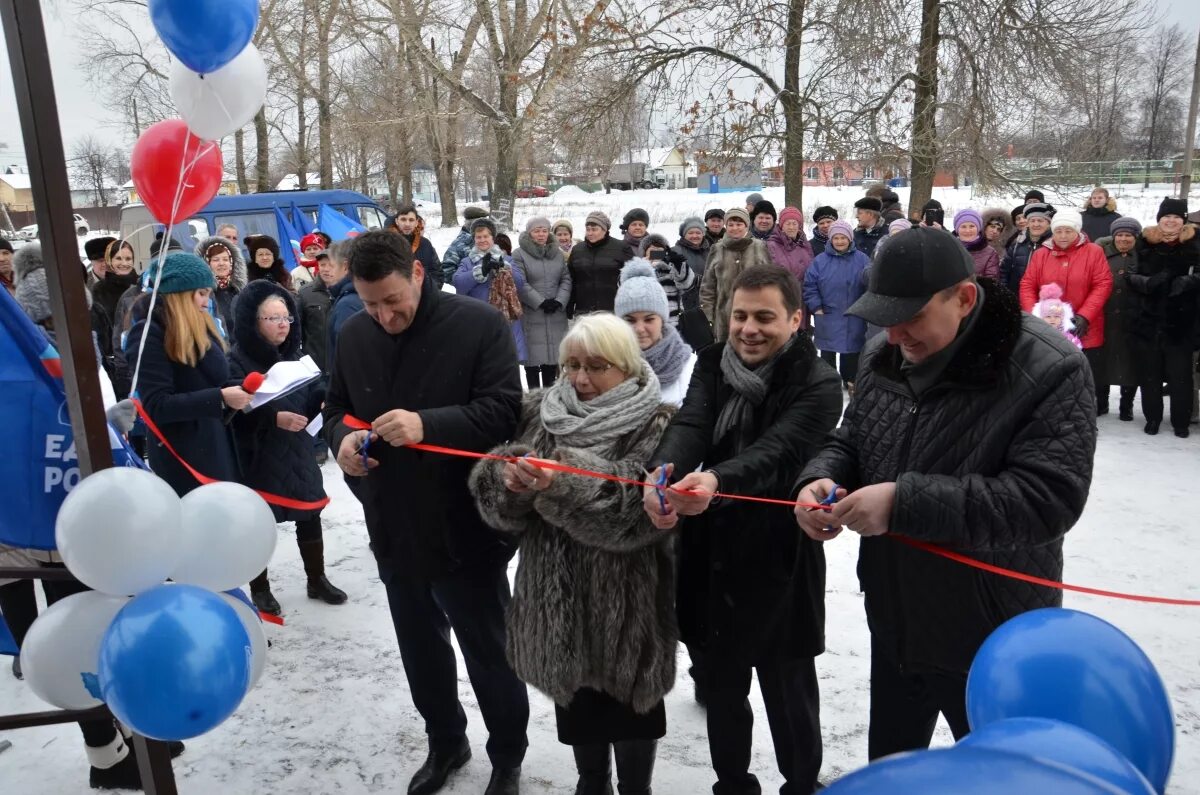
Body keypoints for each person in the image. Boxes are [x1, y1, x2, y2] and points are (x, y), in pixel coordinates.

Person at [794, 226, 1096, 763]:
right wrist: (821, 475)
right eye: (885, 317)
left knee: (996, 770)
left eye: (911, 317)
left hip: (989, 630)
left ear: (963, 297)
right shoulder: (883, 351)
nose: (894, 336)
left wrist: (902, 503)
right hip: (897, 612)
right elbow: (856, 438)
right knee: (892, 765)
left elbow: (1046, 500)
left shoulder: (1049, 367)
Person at [323, 230, 529, 795]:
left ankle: (507, 754)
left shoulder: (476, 324)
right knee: (420, 650)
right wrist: (342, 438)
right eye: (370, 304)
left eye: (393, 300)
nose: (384, 315)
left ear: (417, 273)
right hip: (392, 522)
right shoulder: (355, 334)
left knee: (490, 653)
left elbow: (504, 412)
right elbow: (336, 407)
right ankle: (445, 740)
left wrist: (426, 424)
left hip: (465, 526)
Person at [646, 265, 842, 795]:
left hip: (779, 555)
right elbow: (692, 423)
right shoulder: (712, 363)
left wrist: (714, 479)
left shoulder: (819, 382)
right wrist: (662, 473)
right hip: (710, 554)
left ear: (796, 320)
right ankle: (732, 783)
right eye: (739, 316)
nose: (748, 328)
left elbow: (778, 451)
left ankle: (801, 784)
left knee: (788, 691)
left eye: (764, 317)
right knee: (722, 688)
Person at [469, 313, 677, 795]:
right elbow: (494, 498)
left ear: (626, 366)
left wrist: (562, 479)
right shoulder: (538, 410)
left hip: (629, 598)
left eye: (597, 366)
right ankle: (592, 783)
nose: (580, 379)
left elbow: (634, 514)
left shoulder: (659, 422)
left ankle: (636, 788)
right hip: (554, 593)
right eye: (572, 365)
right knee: (578, 704)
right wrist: (508, 483)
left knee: (632, 708)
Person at [227, 280, 347, 615]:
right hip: (258, 453)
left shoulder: (297, 354)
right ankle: (260, 587)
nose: (283, 325)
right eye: (273, 318)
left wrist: (321, 400)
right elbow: (231, 409)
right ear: (253, 321)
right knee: (258, 521)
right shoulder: (236, 360)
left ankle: (316, 578)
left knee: (310, 511)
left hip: (297, 447)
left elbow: (314, 386)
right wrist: (272, 418)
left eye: (287, 318)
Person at [124, 253, 253, 497]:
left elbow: (215, 379)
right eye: (201, 293)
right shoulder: (149, 333)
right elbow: (157, 404)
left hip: (215, 445)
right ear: (181, 294)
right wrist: (220, 398)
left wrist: (247, 386)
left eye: (208, 294)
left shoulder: (200, 325)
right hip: (184, 457)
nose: (207, 301)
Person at [1019, 208, 1112, 416]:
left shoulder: (1093, 252)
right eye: (1058, 231)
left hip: (1084, 326)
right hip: (1049, 324)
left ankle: (1084, 413)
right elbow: (1027, 285)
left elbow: (1102, 284)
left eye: (1068, 231)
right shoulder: (1042, 254)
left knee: (1084, 372)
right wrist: (1036, 316)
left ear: (1077, 231)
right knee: (1052, 370)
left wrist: (1085, 315)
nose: (1062, 236)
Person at [1127, 198, 1200, 437]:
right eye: (1166, 217)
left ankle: (1180, 421)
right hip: (1148, 320)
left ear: (1184, 220)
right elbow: (1130, 274)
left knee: (1181, 377)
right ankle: (1153, 418)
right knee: (1151, 374)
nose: (1170, 221)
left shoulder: (1195, 244)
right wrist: (1148, 283)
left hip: (1182, 322)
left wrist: (1191, 281)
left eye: (1176, 218)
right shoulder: (1145, 243)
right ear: (1159, 219)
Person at [617, 261, 697, 406]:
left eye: (649, 319)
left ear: (662, 320)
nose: (640, 329)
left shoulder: (690, 367)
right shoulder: (605, 365)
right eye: (630, 320)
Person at [804, 220, 870, 391]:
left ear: (850, 239)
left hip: (854, 315)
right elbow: (810, 286)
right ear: (830, 240)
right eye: (836, 238)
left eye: (843, 237)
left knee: (851, 351)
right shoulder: (820, 261)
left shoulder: (862, 260)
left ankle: (850, 381)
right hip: (827, 314)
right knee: (827, 352)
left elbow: (870, 284)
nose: (839, 241)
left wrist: (865, 307)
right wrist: (816, 307)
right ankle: (829, 383)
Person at [453, 217, 528, 364]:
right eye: (478, 237)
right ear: (474, 239)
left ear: (493, 238)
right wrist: (479, 271)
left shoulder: (507, 259)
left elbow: (520, 284)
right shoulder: (467, 262)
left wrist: (506, 269)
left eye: (486, 236)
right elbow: (458, 284)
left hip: (504, 321)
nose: (482, 240)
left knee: (505, 366)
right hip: (478, 320)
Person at [512, 216, 571, 390]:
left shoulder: (557, 254)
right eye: (537, 231)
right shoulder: (519, 254)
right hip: (532, 313)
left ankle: (550, 400)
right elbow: (519, 282)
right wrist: (540, 302)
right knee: (532, 362)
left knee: (552, 362)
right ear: (529, 233)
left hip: (555, 314)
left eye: (544, 231)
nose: (541, 234)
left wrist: (559, 301)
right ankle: (533, 400)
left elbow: (566, 279)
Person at [700, 208, 772, 343]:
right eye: (731, 225)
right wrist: (707, 316)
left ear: (746, 225)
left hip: (754, 317)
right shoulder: (717, 249)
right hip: (724, 320)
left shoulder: (760, 247)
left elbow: (769, 283)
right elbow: (708, 287)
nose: (735, 228)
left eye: (739, 224)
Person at [1095, 216, 1141, 421]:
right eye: (1120, 235)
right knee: (1102, 362)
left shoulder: (1141, 256)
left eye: (1128, 235)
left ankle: (1126, 406)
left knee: (1130, 363)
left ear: (1135, 238)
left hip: (1132, 317)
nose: (1124, 239)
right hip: (1104, 315)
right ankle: (1101, 402)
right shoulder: (1101, 255)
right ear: (1113, 237)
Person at [91, 240, 139, 389]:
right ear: (109, 260)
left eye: (128, 258)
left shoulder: (141, 286)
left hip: (140, 357)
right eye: (118, 258)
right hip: (114, 364)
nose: (124, 263)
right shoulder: (98, 291)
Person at [567, 211, 633, 316]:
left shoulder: (621, 248)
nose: (590, 233)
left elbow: (631, 280)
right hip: (584, 310)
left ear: (604, 230)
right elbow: (571, 280)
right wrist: (569, 305)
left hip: (612, 310)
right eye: (588, 229)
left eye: (594, 229)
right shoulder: (577, 250)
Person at [638, 233, 696, 327]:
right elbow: (624, 285)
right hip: (646, 322)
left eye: (659, 250)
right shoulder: (637, 268)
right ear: (645, 252)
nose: (656, 252)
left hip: (673, 322)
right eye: (652, 250)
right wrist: (644, 266)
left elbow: (687, 285)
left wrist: (679, 265)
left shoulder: (671, 268)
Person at [194, 234, 247, 332]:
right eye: (215, 260)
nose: (221, 263)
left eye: (225, 259)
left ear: (232, 263)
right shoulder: (204, 294)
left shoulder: (241, 291)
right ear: (206, 263)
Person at [298, 248, 339, 374]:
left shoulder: (351, 290)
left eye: (331, 265)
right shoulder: (305, 293)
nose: (326, 269)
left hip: (343, 365)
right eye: (322, 265)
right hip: (315, 367)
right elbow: (298, 331)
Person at [999, 202, 1053, 294]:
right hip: (1016, 297)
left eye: (1040, 221)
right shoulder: (1018, 244)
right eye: (1032, 221)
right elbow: (1004, 271)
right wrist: (1005, 293)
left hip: (1045, 301)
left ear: (1049, 224)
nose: (1036, 224)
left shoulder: (1054, 246)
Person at [389, 205, 444, 289]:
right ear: (397, 221)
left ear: (416, 222)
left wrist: (429, 291)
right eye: (403, 219)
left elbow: (437, 273)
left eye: (411, 220)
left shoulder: (425, 244)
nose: (407, 224)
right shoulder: (386, 244)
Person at [326, 244, 361, 360]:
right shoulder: (358, 295)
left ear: (345, 266)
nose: (327, 270)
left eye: (331, 265)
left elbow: (348, 358)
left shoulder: (347, 305)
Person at [442, 206, 491, 284]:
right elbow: (447, 272)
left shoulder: (488, 239)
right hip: (470, 294)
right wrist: (470, 281)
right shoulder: (461, 243)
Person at [673, 216, 711, 308]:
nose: (695, 236)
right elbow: (652, 255)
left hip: (707, 300)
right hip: (684, 302)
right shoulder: (674, 251)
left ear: (703, 234)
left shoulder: (711, 251)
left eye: (698, 233)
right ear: (684, 235)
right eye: (690, 233)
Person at [953, 208, 1000, 280]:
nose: (968, 230)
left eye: (972, 226)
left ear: (978, 228)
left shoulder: (990, 253)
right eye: (963, 226)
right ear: (957, 230)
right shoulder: (949, 248)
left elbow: (991, 281)